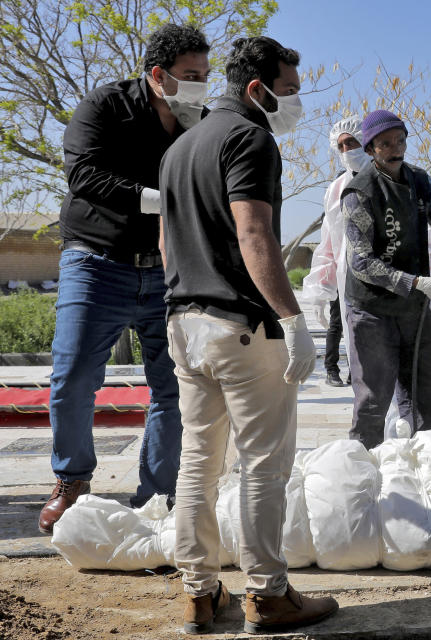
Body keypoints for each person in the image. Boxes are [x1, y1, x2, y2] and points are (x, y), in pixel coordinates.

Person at [159, 36, 337, 634]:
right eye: (288, 92)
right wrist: (291, 319)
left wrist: (184, 301)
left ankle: (199, 596)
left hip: (184, 324)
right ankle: (268, 596)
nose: (295, 104)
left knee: (197, 464)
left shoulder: (179, 148)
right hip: (240, 328)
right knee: (263, 466)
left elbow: (165, 244)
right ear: (257, 90)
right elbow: (254, 235)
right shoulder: (249, 138)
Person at [39, 23, 211, 535]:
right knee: (72, 381)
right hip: (96, 264)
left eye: (205, 74)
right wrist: (158, 200)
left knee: (174, 388)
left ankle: (157, 495)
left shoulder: (198, 121)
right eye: (190, 75)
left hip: (167, 270)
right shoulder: (104, 106)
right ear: (158, 75)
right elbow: (84, 175)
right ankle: (72, 481)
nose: (200, 84)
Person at [341, 109, 431, 449]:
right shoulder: (359, 192)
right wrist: (415, 282)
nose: (394, 148)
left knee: (430, 401)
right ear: (371, 149)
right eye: (385, 144)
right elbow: (360, 262)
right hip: (372, 310)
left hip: (415, 311)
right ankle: (364, 476)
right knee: (373, 403)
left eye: (400, 140)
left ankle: (427, 472)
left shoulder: (419, 181)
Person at [302, 116, 367, 387]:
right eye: (340, 146)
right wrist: (319, 287)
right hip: (347, 279)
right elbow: (328, 242)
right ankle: (340, 372)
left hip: (387, 280)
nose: (346, 150)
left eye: (351, 142)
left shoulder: (395, 177)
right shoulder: (336, 189)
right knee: (343, 329)